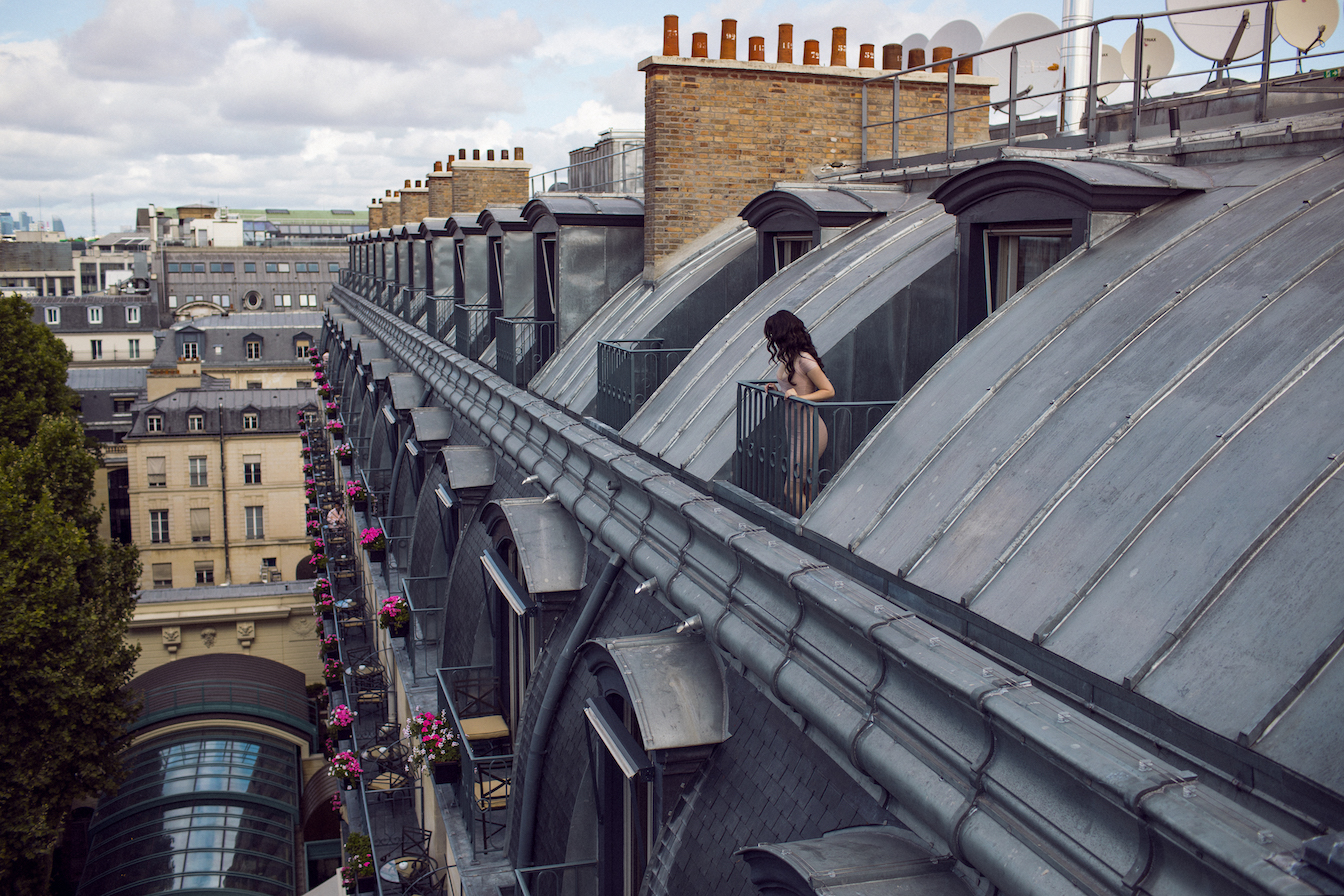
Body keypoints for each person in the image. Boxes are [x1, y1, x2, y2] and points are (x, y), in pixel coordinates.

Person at [763, 310, 834, 513]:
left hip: (810, 432)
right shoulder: (789, 358)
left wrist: (799, 398)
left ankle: (809, 530)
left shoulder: (804, 359)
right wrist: (777, 388)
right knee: (808, 487)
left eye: (773, 334)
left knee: (791, 490)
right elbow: (792, 387)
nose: (772, 340)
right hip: (795, 431)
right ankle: (817, 525)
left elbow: (828, 390)